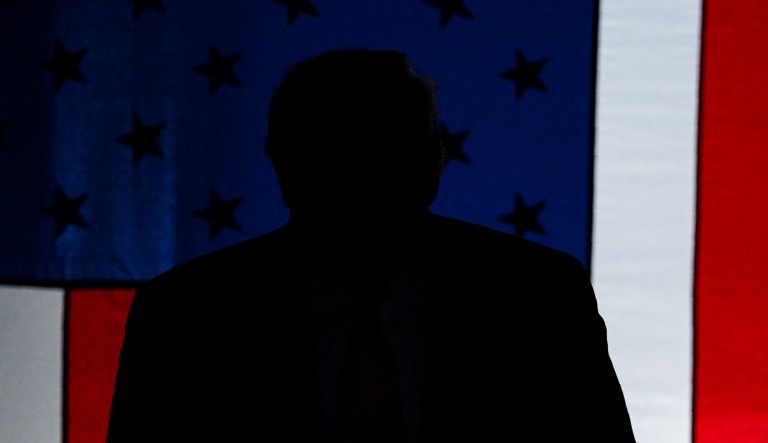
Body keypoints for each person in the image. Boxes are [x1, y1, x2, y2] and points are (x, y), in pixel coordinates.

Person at [106, 49, 636, 442]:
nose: (366, 187)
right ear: (285, 165)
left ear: (432, 164)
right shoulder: (184, 316)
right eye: (340, 158)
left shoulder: (540, 300)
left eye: (385, 156)